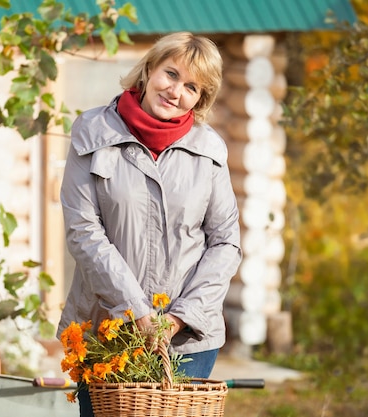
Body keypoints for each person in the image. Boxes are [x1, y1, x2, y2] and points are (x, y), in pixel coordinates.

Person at [56, 32, 242, 417]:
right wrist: (136, 311)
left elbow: (225, 243)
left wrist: (178, 317)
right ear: (148, 70)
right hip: (109, 331)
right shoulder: (93, 133)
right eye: (171, 74)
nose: (176, 91)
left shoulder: (209, 152)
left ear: (201, 99)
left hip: (188, 339)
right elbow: (84, 232)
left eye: (192, 87)